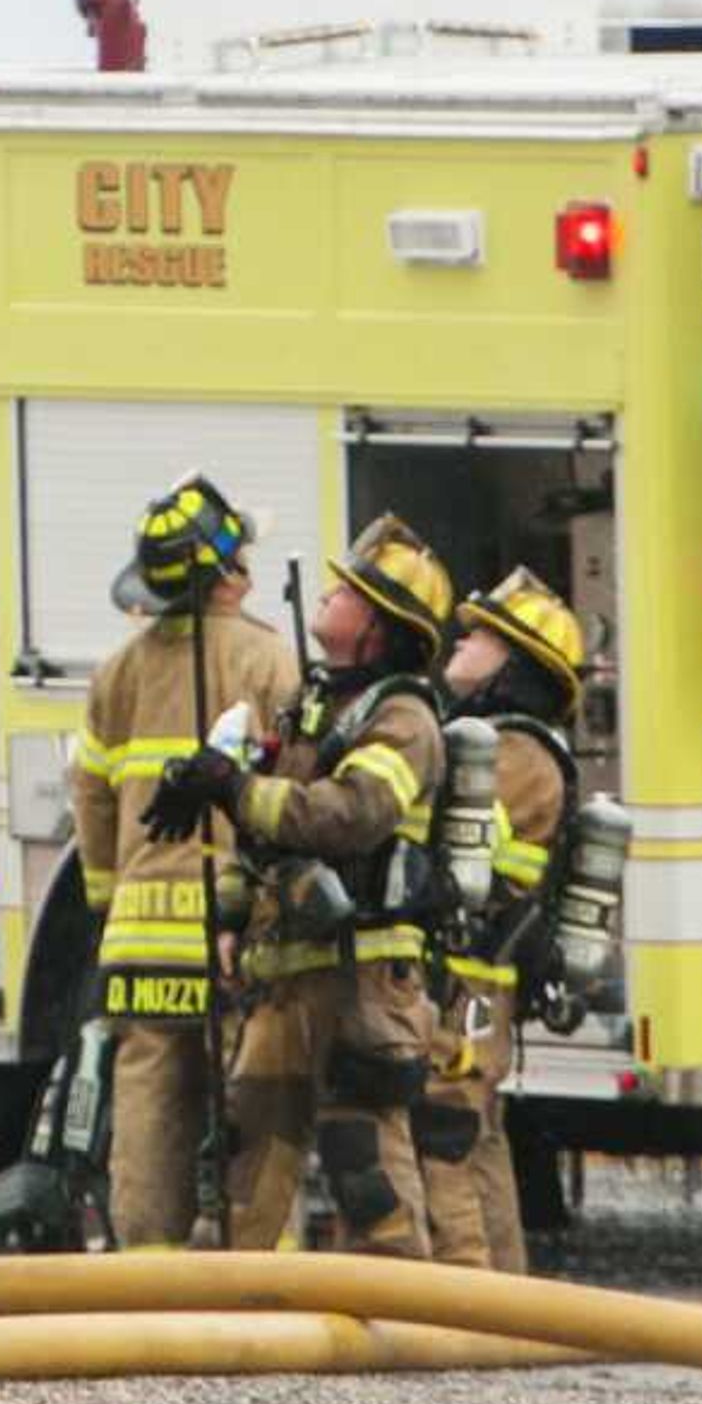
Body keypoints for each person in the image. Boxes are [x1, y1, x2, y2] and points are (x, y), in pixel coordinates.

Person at [151, 516, 458, 1256]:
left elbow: (349, 816)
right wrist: (228, 912)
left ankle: (402, 1328)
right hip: (284, 973)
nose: (329, 595)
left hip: (361, 981)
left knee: (365, 1166)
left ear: (379, 627)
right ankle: (226, 1328)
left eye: (348, 591)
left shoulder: (404, 718)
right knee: (240, 1165)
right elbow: (264, 835)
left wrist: (238, 786)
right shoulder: (312, 706)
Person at [66, 476, 300, 1248]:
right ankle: (256, 1285)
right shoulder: (271, 662)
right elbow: (294, 798)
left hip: (139, 941)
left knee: (149, 1125)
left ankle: (149, 1287)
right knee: (254, 1121)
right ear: (227, 575)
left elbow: (94, 806)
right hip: (237, 934)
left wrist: (111, 904)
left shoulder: (117, 671)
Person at [418, 567, 592, 1273]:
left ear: (517, 661)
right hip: (472, 984)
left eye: (483, 633)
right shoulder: (504, 742)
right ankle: (504, 1301)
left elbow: (450, 846)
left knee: (444, 1127)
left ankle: (466, 1302)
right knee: (478, 1134)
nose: (463, 636)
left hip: (470, 983)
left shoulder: (519, 755)